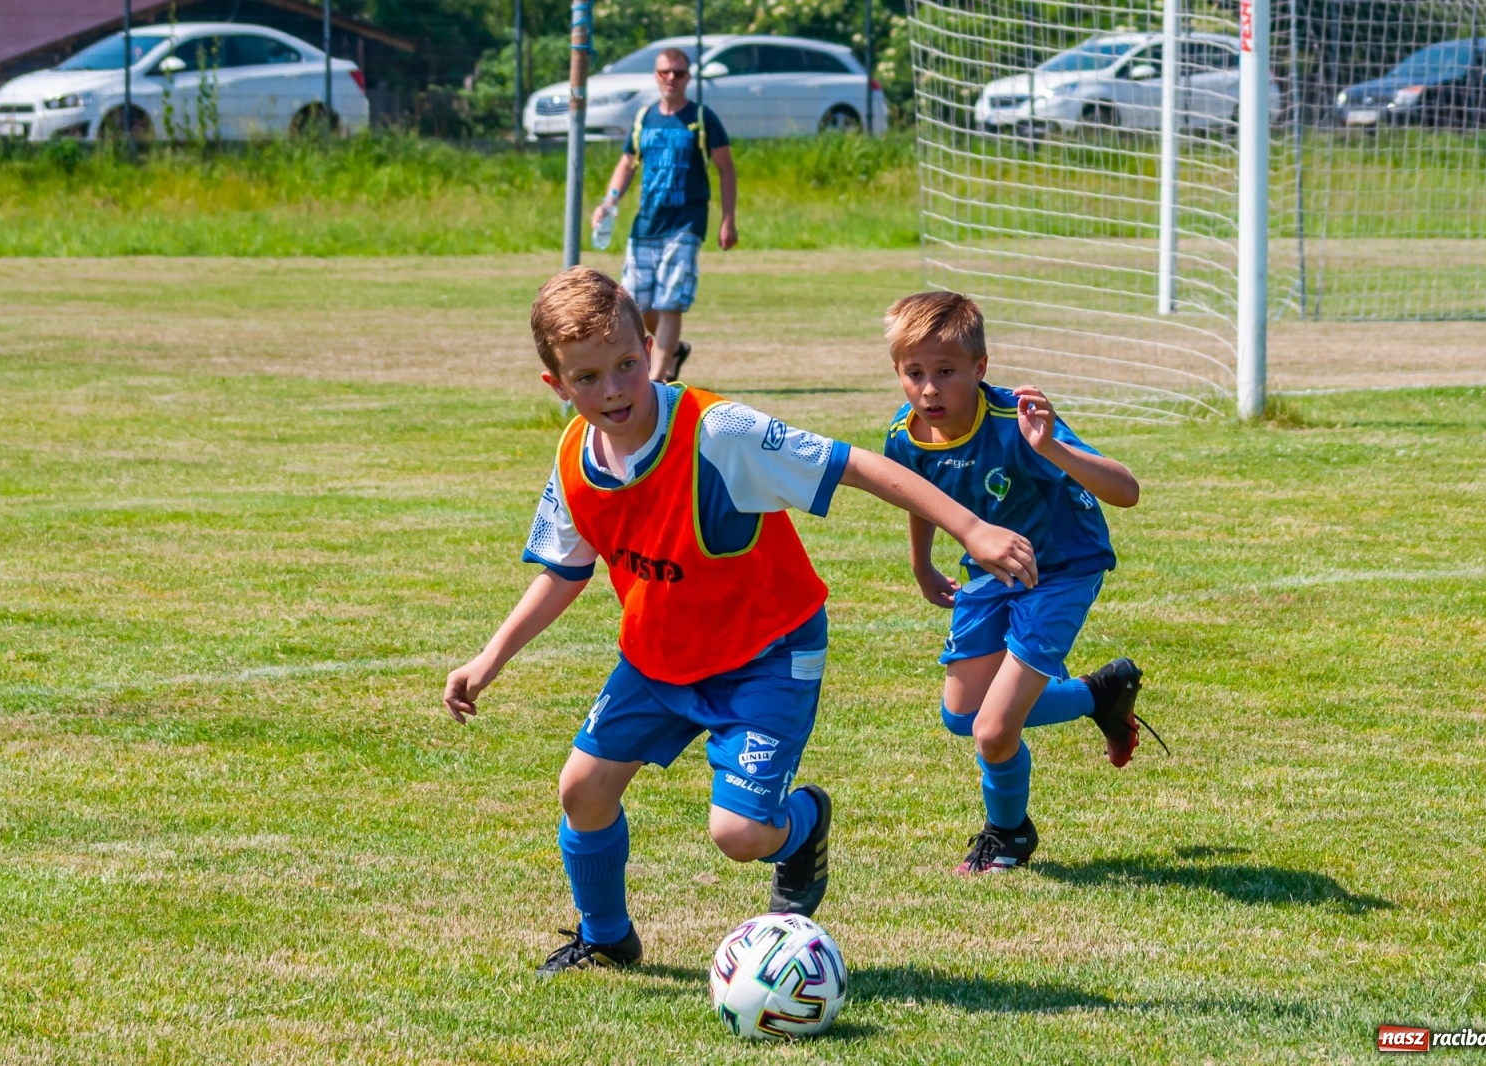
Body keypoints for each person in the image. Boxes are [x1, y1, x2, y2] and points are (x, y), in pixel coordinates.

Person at [443, 268, 1039, 974]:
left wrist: (971, 530)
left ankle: (804, 823)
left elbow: (859, 467)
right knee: (581, 788)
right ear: (557, 386)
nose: (613, 391)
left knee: (739, 834)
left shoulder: (718, 432)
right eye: (588, 378)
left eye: (628, 366)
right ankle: (605, 937)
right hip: (658, 657)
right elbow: (564, 572)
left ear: (652, 351)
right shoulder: (575, 456)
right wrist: (491, 658)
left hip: (767, 654)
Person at [880, 291, 1163, 875]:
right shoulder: (905, 435)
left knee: (991, 731)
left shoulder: (1018, 422)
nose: (929, 388)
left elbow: (1127, 490)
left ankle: (1007, 835)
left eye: (946, 372)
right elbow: (919, 495)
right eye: (915, 373)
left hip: (1060, 571)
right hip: (989, 573)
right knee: (962, 716)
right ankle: (1098, 696)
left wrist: (1053, 447)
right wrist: (921, 562)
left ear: (980, 369)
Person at [591, 47, 737, 384]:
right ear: (656, 76)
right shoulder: (645, 118)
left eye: (679, 72)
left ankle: (656, 379)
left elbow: (726, 169)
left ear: (688, 77)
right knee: (633, 305)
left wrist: (728, 220)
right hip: (646, 224)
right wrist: (609, 200)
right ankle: (672, 349)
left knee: (671, 302)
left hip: (686, 223)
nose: (672, 78)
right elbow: (627, 163)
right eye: (665, 72)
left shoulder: (701, 118)